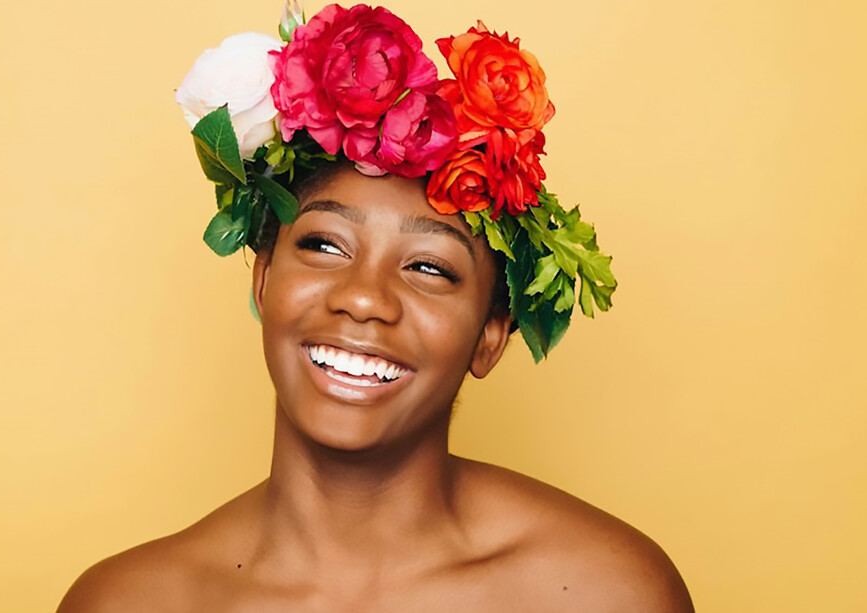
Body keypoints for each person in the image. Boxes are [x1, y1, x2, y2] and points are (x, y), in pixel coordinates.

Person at [58, 3, 694, 611]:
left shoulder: (605, 592)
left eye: (428, 267)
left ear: (490, 336)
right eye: (325, 244)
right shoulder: (124, 602)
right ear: (264, 279)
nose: (364, 297)